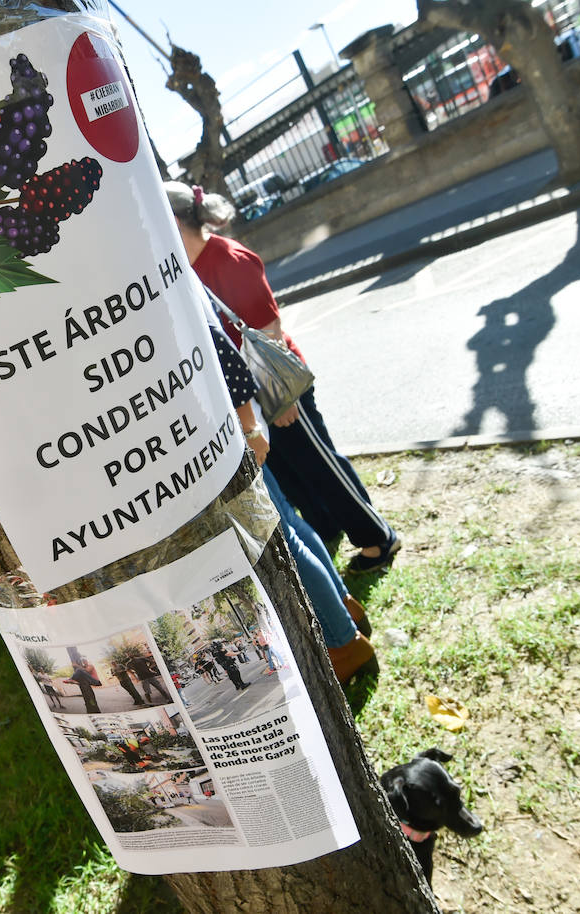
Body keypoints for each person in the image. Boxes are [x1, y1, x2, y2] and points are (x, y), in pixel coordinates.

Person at [166, 181, 401, 576]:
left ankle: (378, 538)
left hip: (278, 390)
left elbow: (270, 328)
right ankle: (327, 530)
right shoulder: (189, 267)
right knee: (295, 475)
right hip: (255, 398)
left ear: (174, 220)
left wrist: (282, 399)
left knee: (320, 465)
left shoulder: (229, 258)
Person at [200, 284, 375, 681]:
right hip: (240, 430)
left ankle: (345, 643)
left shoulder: (160, 272)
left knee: (283, 537)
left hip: (236, 434)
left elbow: (221, 353)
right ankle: (344, 610)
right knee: (289, 527)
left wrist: (247, 428)